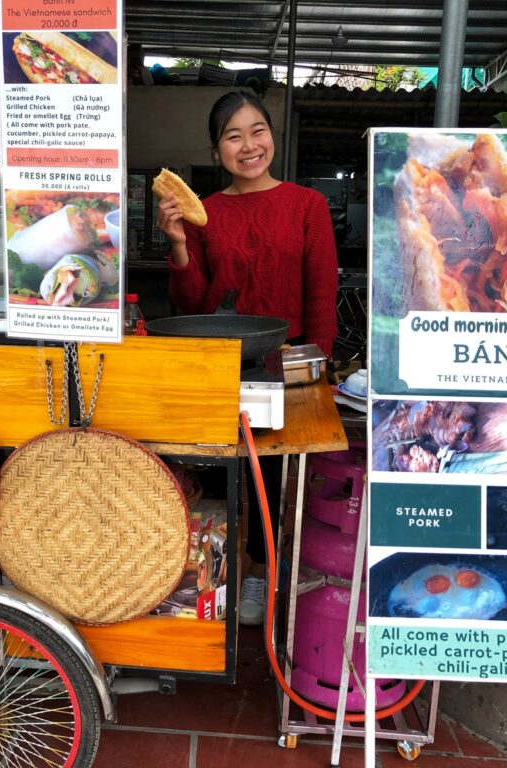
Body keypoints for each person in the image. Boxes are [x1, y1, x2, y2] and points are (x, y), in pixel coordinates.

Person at [155, 90, 339, 625]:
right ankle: (215, 572)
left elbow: (320, 294)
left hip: (285, 361)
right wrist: (179, 245)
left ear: (272, 137)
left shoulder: (307, 205)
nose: (249, 145)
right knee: (219, 472)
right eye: (233, 136)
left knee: (272, 479)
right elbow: (194, 305)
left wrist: (318, 367)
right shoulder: (206, 212)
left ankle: (259, 571)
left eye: (257, 131)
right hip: (219, 362)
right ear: (217, 151)